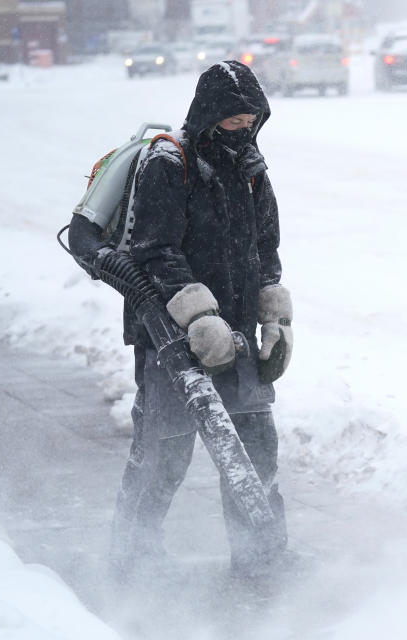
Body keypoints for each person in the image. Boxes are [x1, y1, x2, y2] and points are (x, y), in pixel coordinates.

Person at [109, 60, 294, 580]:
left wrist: (273, 317)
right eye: (232, 119)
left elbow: (265, 247)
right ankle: (131, 560)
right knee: (163, 455)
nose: (241, 128)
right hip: (170, 337)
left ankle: (261, 561)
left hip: (237, 334)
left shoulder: (252, 168)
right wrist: (198, 315)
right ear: (209, 114)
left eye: (250, 119)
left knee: (256, 448)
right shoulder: (170, 164)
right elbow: (154, 250)